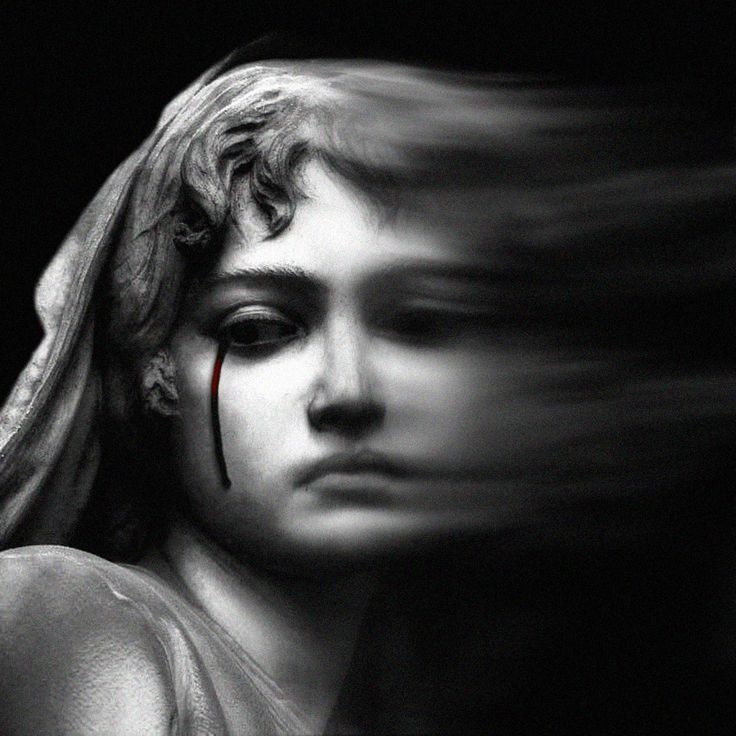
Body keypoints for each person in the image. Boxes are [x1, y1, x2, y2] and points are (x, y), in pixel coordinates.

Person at [1, 52, 735, 734]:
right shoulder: (80, 619)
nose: (349, 393)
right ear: (154, 372)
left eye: (419, 324)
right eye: (259, 329)